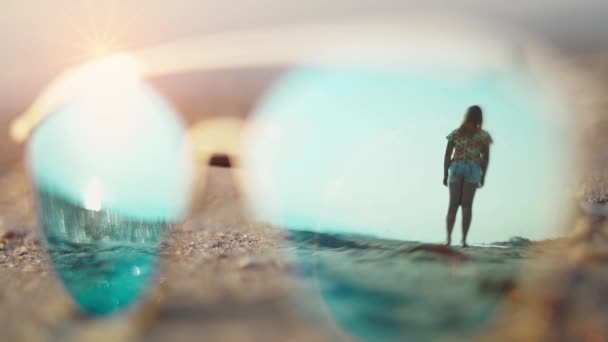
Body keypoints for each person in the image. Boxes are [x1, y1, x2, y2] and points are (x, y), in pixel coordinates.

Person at [443, 105, 492, 247]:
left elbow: (447, 155)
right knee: (467, 205)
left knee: (453, 205)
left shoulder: (456, 133)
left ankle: (448, 239)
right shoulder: (483, 135)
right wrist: (483, 176)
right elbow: (485, 158)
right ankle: (463, 241)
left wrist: (445, 174)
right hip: (473, 168)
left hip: (457, 167)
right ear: (480, 118)